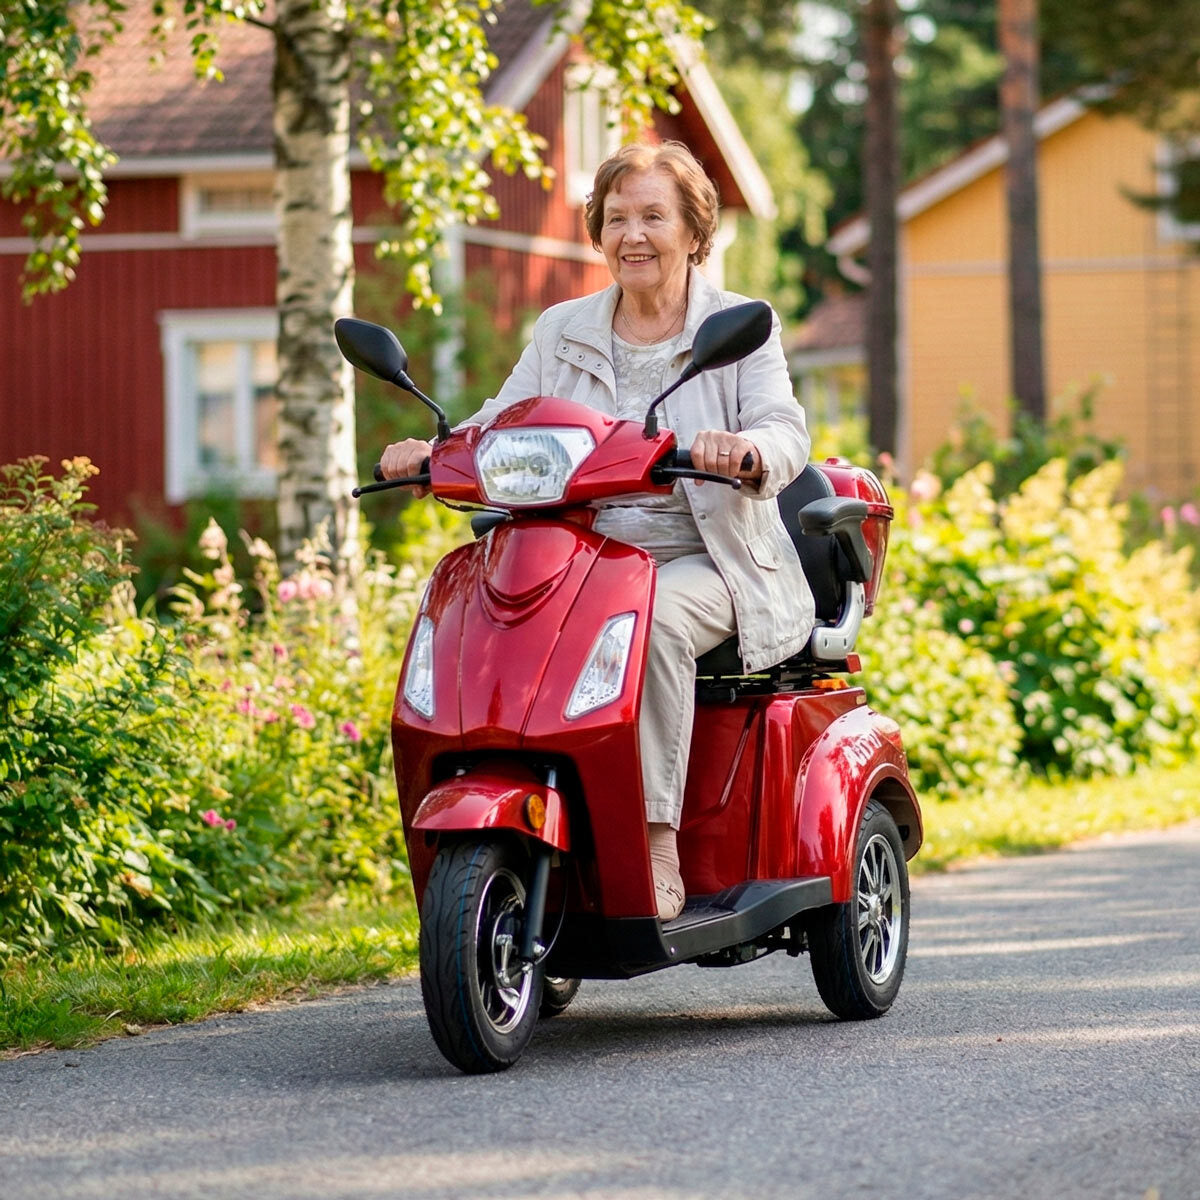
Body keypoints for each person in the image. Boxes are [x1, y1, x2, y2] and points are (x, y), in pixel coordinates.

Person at [380, 140, 815, 921]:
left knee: (651, 623)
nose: (634, 235)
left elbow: (785, 428)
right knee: (477, 612)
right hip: (579, 556)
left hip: (705, 555)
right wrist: (438, 451)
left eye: (654, 216)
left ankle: (652, 836)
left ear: (693, 230)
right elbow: (505, 418)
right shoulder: (563, 328)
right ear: (598, 232)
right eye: (617, 219)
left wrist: (747, 450)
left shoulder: (739, 325)